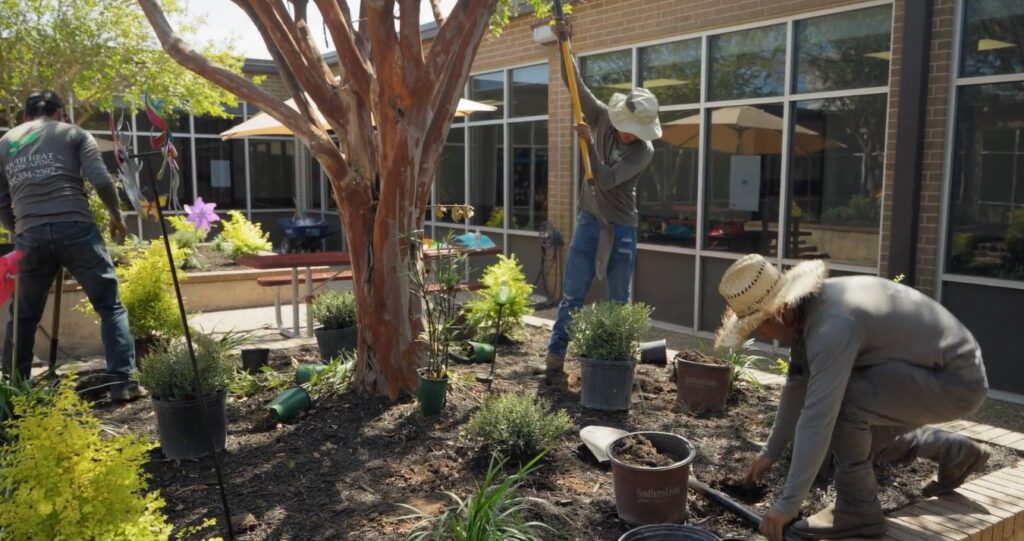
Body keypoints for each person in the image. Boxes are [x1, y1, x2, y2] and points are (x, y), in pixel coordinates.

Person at [715, 254, 990, 541]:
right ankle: (955, 452)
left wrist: (788, 504)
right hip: (924, 373)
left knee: (843, 409)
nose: (760, 333)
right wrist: (771, 451)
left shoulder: (831, 326)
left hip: (955, 382)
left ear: (780, 312)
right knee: (857, 439)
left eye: (758, 325)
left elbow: (817, 417)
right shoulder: (808, 313)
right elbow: (797, 384)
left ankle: (857, 512)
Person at [0, 90, 141, 401]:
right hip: (77, 229)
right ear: (61, 113)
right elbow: (101, 180)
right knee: (109, 306)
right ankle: (123, 382)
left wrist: (21, 230)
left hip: (29, 237)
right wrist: (117, 217)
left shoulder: (5, 142)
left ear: (26, 116)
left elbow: (1, 202)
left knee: (23, 317)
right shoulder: (74, 134)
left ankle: (13, 392)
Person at [544, 19, 661, 385]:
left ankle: (613, 368)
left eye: (633, 130)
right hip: (588, 221)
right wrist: (566, 45)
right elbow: (574, 86)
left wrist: (588, 144)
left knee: (616, 301)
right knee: (573, 294)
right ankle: (554, 360)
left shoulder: (643, 152)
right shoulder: (604, 119)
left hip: (621, 227)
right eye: (626, 125)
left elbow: (606, 179)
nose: (627, 133)